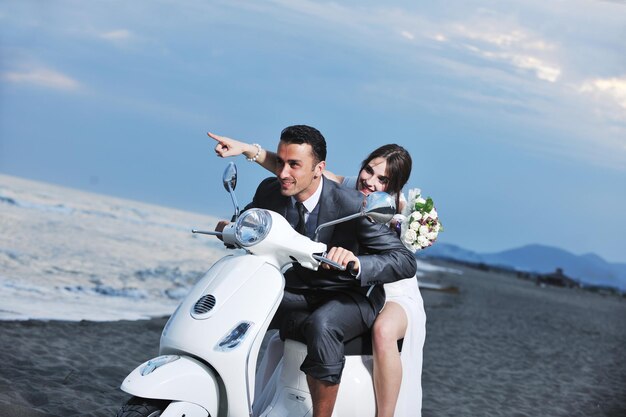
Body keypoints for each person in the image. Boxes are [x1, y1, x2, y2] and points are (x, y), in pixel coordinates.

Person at [210, 131, 426, 417]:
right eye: (369, 170)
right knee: (246, 303)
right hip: (316, 283)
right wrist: (233, 225)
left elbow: (402, 261)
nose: (370, 181)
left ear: (394, 185)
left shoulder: (375, 207)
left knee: (363, 329)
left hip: (374, 286)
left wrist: (358, 262)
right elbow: (294, 169)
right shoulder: (331, 188)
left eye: (382, 179)